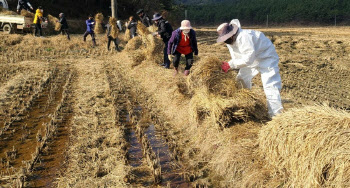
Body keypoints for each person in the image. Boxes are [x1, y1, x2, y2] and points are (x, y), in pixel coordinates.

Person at [217, 20, 283, 117]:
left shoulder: (244, 37)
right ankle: (246, 104)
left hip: (266, 57)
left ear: (231, 35)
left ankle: (275, 116)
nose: (225, 41)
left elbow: (248, 59)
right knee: (241, 79)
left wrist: (230, 65)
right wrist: (229, 64)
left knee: (270, 85)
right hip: (252, 57)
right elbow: (238, 57)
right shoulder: (230, 41)